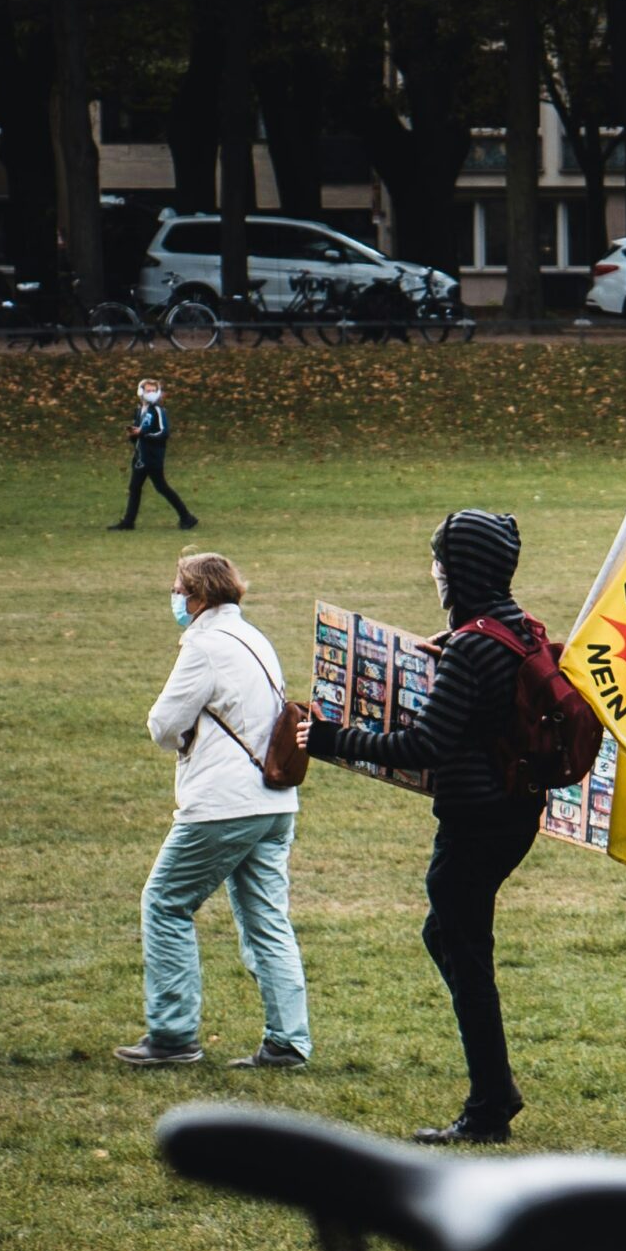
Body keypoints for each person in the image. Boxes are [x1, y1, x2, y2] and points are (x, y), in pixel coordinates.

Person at [294, 511, 543, 1145]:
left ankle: (490, 1106)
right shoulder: (517, 629)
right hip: (515, 812)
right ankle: (495, 1088)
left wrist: (328, 739)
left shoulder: (470, 646)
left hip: (474, 820)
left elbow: (425, 745)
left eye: (440, 561)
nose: (435, 572)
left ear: (461, 570)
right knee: (448, 934)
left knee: (465, 950)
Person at [120, 552, 308, 1068]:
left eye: (179, 588)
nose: (176, 598)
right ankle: (288, 1041)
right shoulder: (255, 637)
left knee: (165, 901)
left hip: (223, 804)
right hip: (274, 800)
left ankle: (174, 1033)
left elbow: (162, 724)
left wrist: (185, 736)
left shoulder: (203, 645)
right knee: (266, 919)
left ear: (198, 595)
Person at [108, 378, 197, 533]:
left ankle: (187, 517)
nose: (151, 394)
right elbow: (138, 433)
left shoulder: (157, 410)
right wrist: (134, 435)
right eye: (147, 390)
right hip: (140, 458)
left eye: (153, 391)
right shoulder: (139, 410)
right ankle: (129, 521)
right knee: (135, 487)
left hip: (153, 458)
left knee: (162, 487)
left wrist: (143, 434)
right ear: (140, 392)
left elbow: (163, 432)